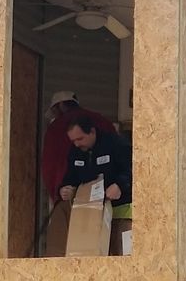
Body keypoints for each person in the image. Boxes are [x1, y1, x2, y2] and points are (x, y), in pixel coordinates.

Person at [39, 91, 117, 256]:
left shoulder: (56, 128)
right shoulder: (102, 121)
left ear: (61, 106)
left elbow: (50, 165)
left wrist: (59, 192)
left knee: (62, 245)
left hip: (70, 197)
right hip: (106, 197)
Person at [60, 114, 132, 255]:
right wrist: (65, 188)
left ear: (92, 131)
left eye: (80, 139)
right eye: (73, 141)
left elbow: (133, 169)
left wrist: (119, 185)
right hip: (92, 214)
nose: (77, 144)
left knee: (123, 253)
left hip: (121, 211)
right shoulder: (75, 152)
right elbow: (71, 177)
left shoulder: (115, 143)